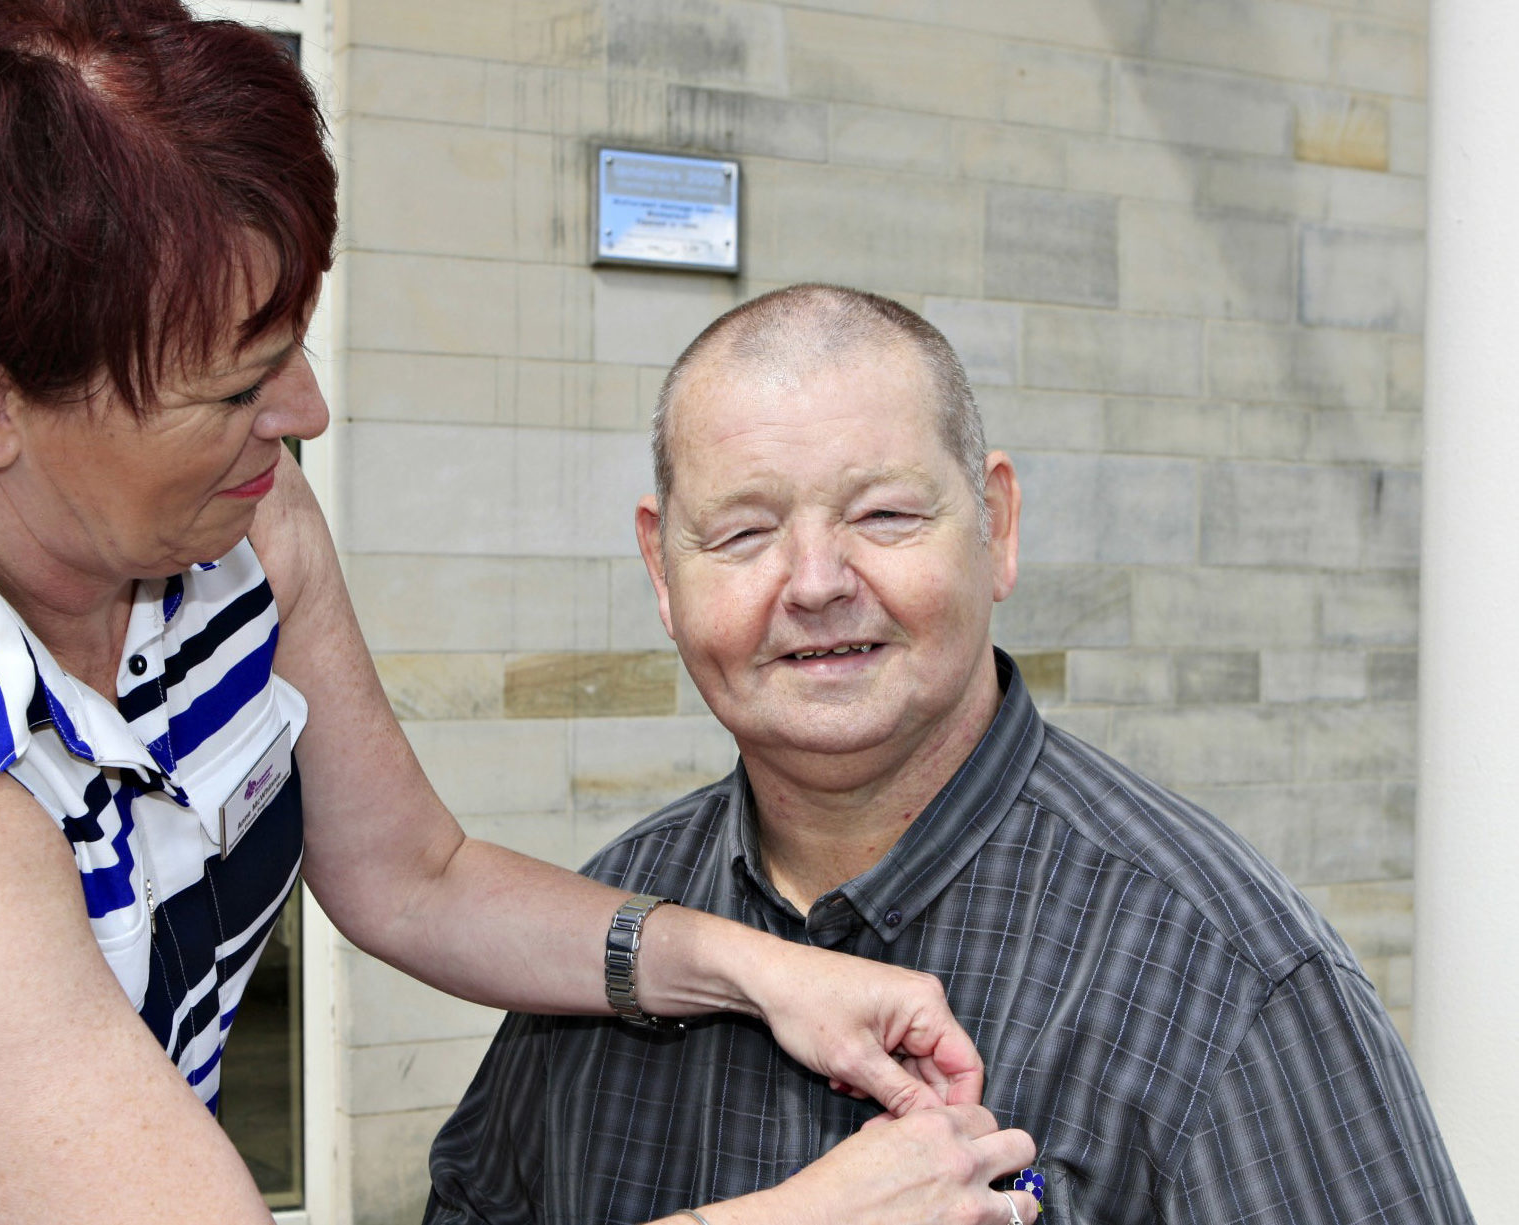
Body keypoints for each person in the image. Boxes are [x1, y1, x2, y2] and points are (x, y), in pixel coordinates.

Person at [0, 9, 1031, 1224]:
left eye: (289, 344)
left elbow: (418, 877)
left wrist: (758, 968)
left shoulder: (228, 511)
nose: (304, 413)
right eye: (232, 382)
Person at [424, 285, 1472, 1225]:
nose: (817, 581)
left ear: (998, 524)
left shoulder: (1223, 977)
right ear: (661, 566)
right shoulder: (606, 935)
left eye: (883, 515)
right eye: (744, 532)